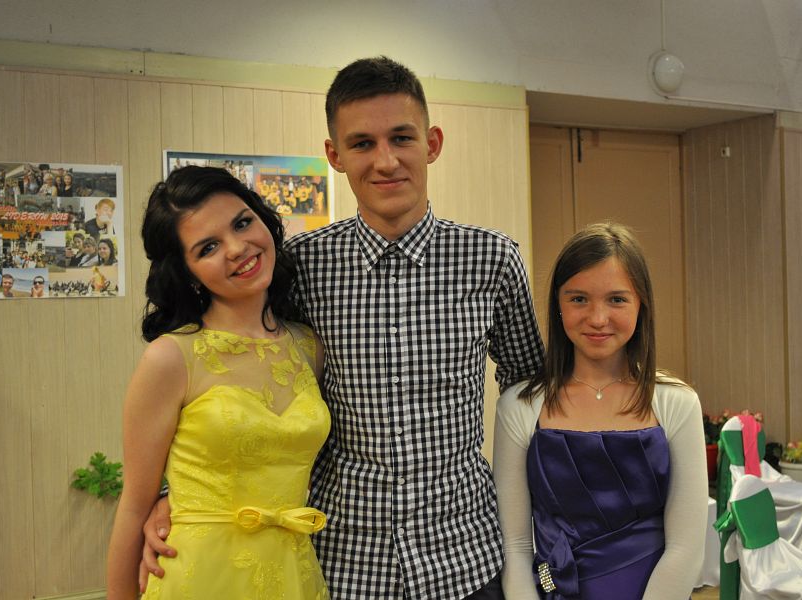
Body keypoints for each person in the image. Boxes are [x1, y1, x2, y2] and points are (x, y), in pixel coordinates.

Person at [141, 56, 544, 600]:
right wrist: (174, 495)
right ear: (334, 156)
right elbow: (234, 377)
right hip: (343, 562)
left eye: (401, 137)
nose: (385, 161)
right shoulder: (298, 267)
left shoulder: (491, 259)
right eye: (362, 144)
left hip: (465, 558)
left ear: (432, 143)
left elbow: (528, 391)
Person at [106, 166, 331, 599]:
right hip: (198, 576)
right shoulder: (171, 358)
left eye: (242, 223)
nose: (237, 248)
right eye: (208, 247)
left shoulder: (308, 347)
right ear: (188, 272)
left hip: (294, 573)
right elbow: (134, 505)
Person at [493, 223, 708, 600]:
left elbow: (685, 548)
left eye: (616, 300)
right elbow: (515, 546)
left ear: (642, 304)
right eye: (578, 299)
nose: (597, 318)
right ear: (558, 305)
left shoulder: (677, 402)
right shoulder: (520, 405)